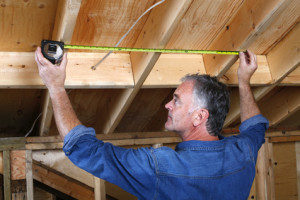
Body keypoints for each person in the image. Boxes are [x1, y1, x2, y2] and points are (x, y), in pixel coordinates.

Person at [35, 47, 268, 200]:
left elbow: (83, 148)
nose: (167, 105)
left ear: (200, 117)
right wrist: (244, 81)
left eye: (176, 100)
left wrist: (56, 87)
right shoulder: (243, 151)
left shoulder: (162, 167)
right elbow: (256, 127)